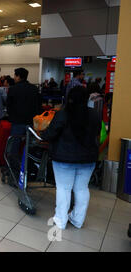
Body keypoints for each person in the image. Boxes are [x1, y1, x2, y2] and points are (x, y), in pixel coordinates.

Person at [41, 86, 101, 230]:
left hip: (64, 159)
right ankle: (77, 220)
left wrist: (43, 136)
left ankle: (61, 220)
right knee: (81, 189)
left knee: (64, 188)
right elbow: (97, 133)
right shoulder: (95, 115)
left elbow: (50, 134)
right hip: (88, 158)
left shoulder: (63, 114)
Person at [7, 68, 40, 136]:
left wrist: (11, 116)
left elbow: (8, 105)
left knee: (15, 143)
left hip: (17, 121)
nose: (14, 78)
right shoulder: (34, 88)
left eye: (15, 76)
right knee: (29, 143)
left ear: (18, 77)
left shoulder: (12, 89)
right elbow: (38, 105)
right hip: (31, 121)